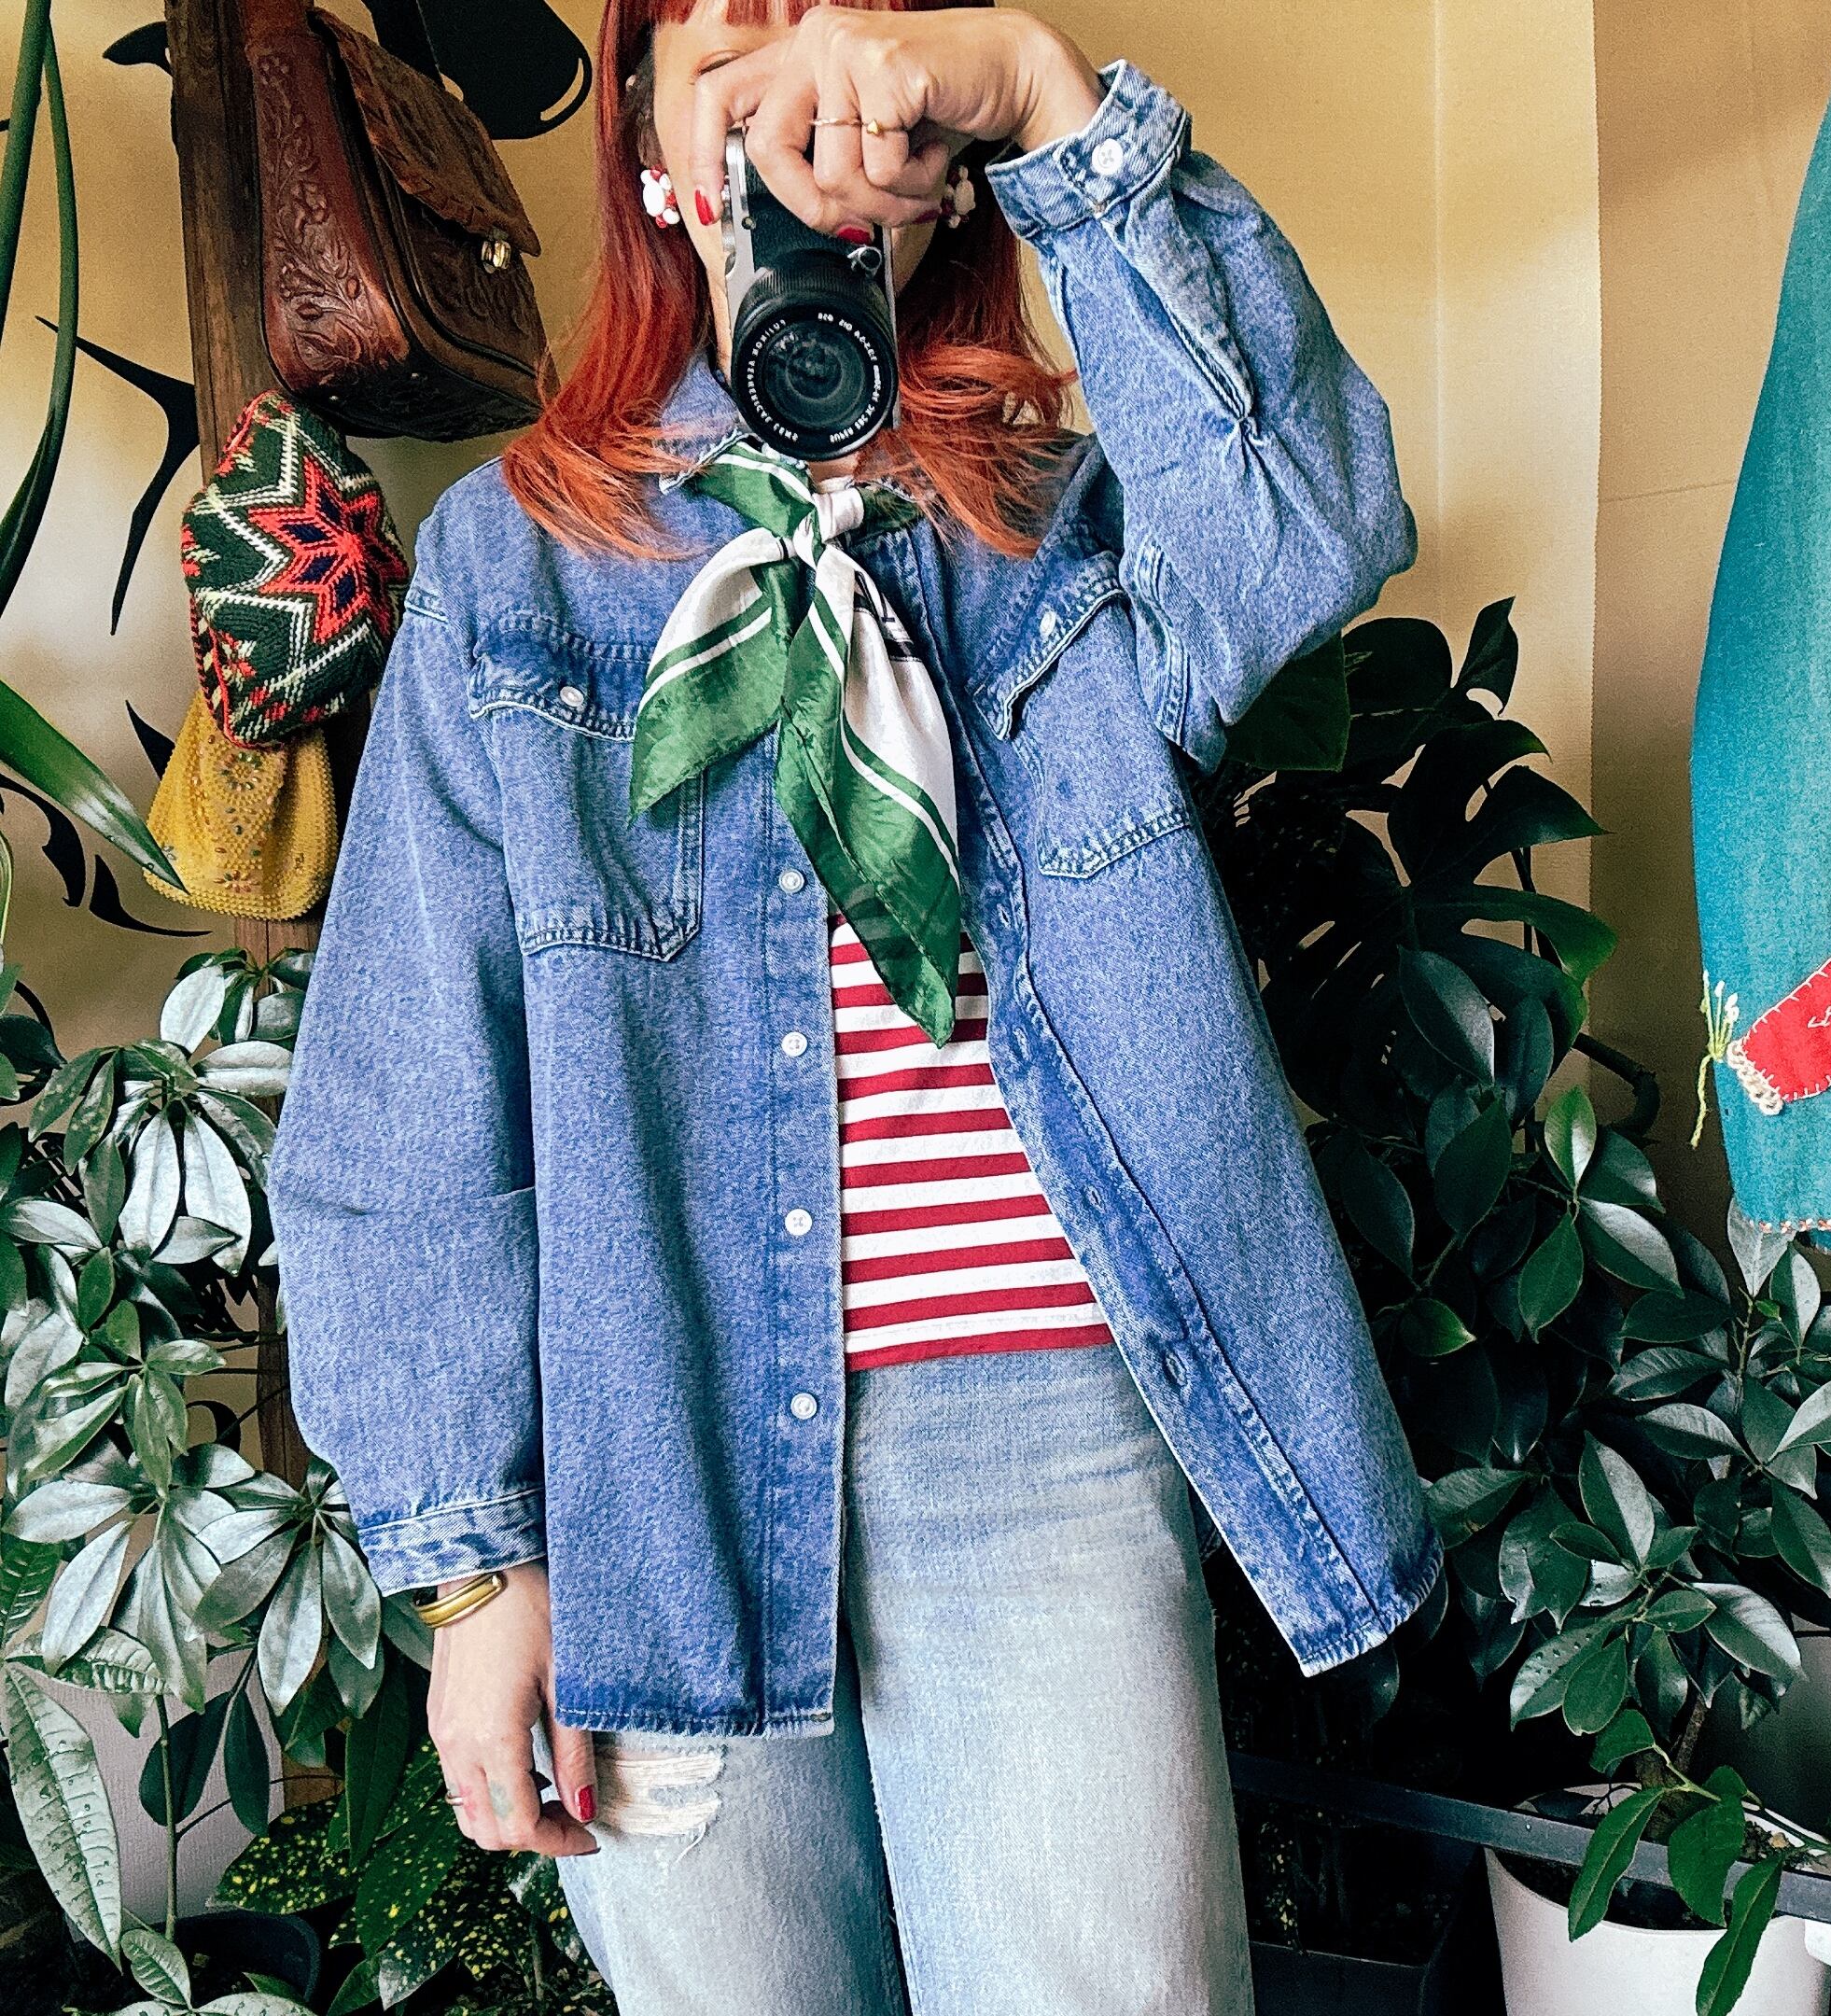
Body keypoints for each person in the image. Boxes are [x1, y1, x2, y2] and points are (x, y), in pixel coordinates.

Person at [267, 3, 1437, 2011]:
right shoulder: (518, 568)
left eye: (857, 46)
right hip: (654, 1464)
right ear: (652, 158)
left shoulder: (1062, 522)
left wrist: (1047, 97)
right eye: (734, 55)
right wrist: (472, 1565)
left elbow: (1302, 536)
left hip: (1040, 1439)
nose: (803, 95)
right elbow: (407, 1090)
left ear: (940, 168)